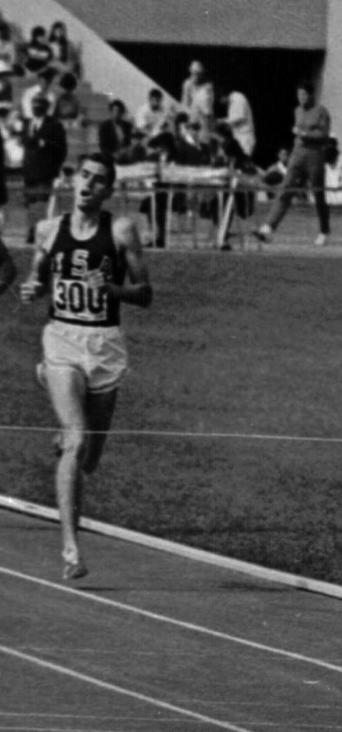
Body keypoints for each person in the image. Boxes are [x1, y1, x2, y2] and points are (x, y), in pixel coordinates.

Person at [17, 153, 153, 580]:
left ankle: (69, 427)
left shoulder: (122, 230)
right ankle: (71, 549)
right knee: (76, 442)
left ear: (109, 190)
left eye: (98, 180)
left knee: (89, 459)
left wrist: (111, 288)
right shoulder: (48, 229)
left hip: (105, 347)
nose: (88, 185)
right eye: (84, 176)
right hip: (62, 341)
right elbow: (37, 282)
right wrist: (31, 290)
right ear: (73, 180)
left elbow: (145, 292)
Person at [254, 81, 331, 246]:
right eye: (299, 95)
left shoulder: (321, 112)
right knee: (286, 189)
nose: (301, 98)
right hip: (297, 155)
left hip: (315, 156)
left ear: (311, 95)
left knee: (318, 194)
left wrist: (305, 133)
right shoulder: (297, 111)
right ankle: (269, 226)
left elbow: (323, 135)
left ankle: (324, 230)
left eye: (304, 94)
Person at [22, 94, 67, 245]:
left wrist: (47, 147)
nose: (36, 107)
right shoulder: (27, 123)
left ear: (46, 108)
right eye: (34, 104)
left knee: (42, 203)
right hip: (29, 171)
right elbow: (25, 144)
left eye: (40, 104)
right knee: (30, 202)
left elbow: (61, 149)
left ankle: (40, 232)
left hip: (45, 170)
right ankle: (31, 230)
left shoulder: (54, 125)